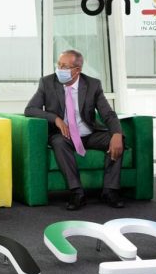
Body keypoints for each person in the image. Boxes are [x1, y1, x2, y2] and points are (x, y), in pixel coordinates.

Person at [24, 49, 125, 210]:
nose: (59, 69)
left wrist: (117, 134)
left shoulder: (92, 85)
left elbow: (108, 114)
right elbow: (30, 109)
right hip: (64, 136)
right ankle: (77, 192)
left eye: (64, 66)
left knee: (117, 140)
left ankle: (110, 191)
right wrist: (55, 119)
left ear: (77, 70)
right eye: (58, 65)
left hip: (89, 134)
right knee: (58, 142)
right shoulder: (47, 82)